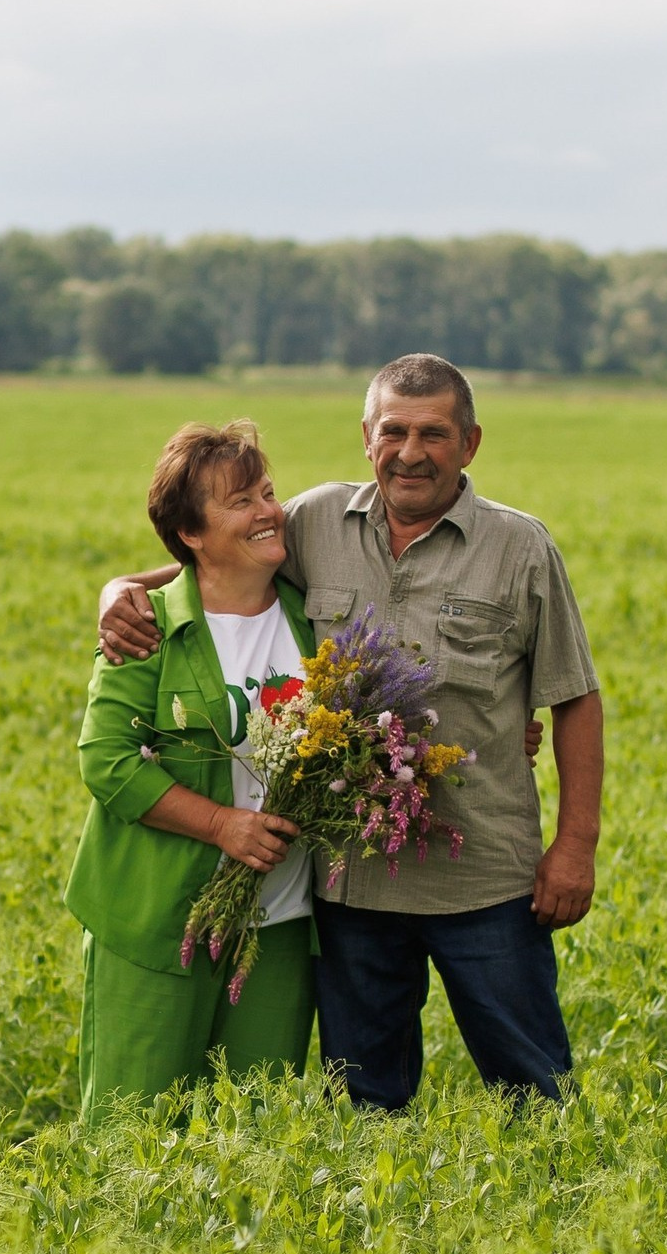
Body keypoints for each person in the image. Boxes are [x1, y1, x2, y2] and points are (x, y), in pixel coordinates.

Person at [99, 354, 603, 1110]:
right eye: (394, 430)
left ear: (470, 443)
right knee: (365, 1106)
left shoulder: (520, 548)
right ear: (367, 437)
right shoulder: (313, 522)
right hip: (353, 884)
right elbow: (216, 561)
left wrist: (574, 848)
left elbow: (576, 699)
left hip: (487, 881)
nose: (411, 452)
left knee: (534, 1089)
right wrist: (118, 590)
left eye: (434, 433)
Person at [68, 420, 316, 1122]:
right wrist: (222, 826)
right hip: (157, 921)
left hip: (283, 926)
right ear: (191, 535)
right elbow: (107, 762)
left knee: (256, 1137)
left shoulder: (316, 619)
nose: (268, 511)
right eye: (240, 502)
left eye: (268, 492)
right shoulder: (146, 626)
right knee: (133, 1135)